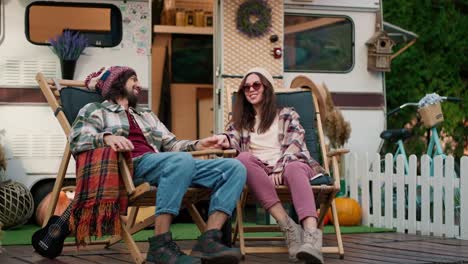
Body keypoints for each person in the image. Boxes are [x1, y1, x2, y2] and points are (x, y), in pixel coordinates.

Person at [69, 66, 246, 264]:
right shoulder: (96, 110)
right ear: (118, 83)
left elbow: (171, 144)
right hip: (130, 167)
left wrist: (199, 143)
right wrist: (107, 138)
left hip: (166, 165)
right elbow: (77, 138)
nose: (139, 85)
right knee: (181, 161)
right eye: (133, 79)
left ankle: (209, 239)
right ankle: (160, 245)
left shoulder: (146, 114)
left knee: (233, 167)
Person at [220, 67, 325, 263]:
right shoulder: (239, 122)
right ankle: (288, 226)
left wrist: (280, 165)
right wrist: (222, 140)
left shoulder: (287, 114)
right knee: (242, 159)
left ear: (266, 88)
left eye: (256, 85)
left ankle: (312, 237)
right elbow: (230, 139)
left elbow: (296, 142)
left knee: (293, 168)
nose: (251, 89)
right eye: (246, 87)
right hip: (260, 171)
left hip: (290, 164)